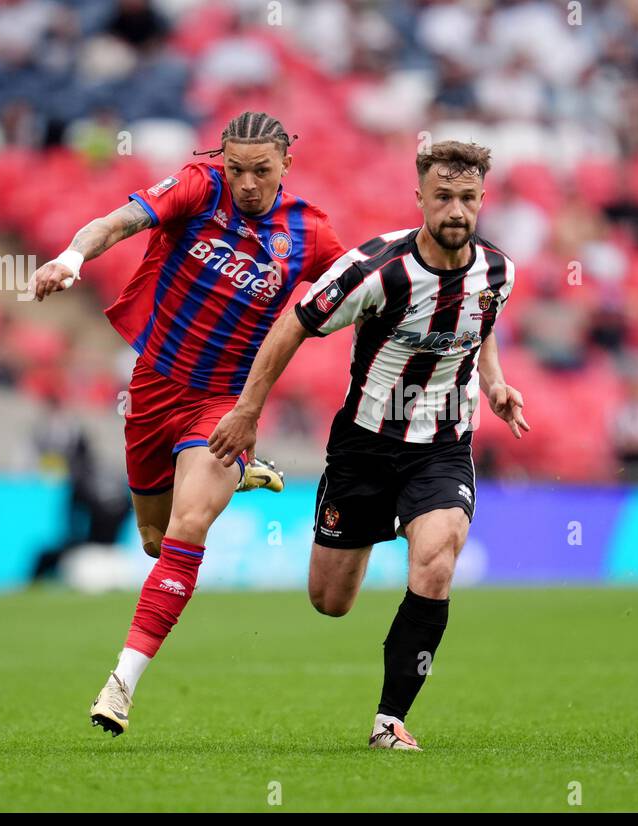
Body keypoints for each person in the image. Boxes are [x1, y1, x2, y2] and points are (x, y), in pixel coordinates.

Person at [27, 111, 345, 735]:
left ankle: (120, 685)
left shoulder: (308, 231)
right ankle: (242, 475)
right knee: (151, 539)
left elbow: (361, 284)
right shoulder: (198, 187)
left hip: (223, 405)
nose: (248, 183)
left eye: (262, 171)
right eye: (237, 169)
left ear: (287, 165)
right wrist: (72, 256)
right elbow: (120, 221)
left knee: (187, 526)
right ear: (221, 162)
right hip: (152, 388)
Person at [208, 141, 529, 751]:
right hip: (363, 446)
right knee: (331, 601)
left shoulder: (499, 271)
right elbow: (293, 324)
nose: (455, 210)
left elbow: (480, 328)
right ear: (420, 199)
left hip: (442, 445)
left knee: (437, 558)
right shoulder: (374, 268)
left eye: (467, 198)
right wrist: (248, 411)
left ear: (483, 200)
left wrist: (494, 384)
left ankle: (390, 720)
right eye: (443, 197)